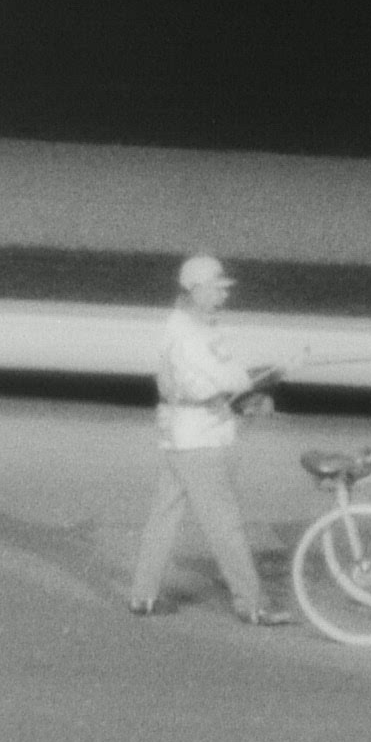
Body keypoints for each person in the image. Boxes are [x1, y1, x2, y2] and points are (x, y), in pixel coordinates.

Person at [128, 254, 296, 626]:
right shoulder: (186, 334)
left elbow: (221, 378)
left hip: (184, 436)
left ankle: (142, 596)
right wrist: (261, 380)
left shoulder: (198, 326)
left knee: (164, 518)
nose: (224, 295)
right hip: (199, 439)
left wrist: (250, 388)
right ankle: (252, 605)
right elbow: (215, 382)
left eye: (224, 288)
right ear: (195, 290)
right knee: (225, 526)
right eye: (217, 289)